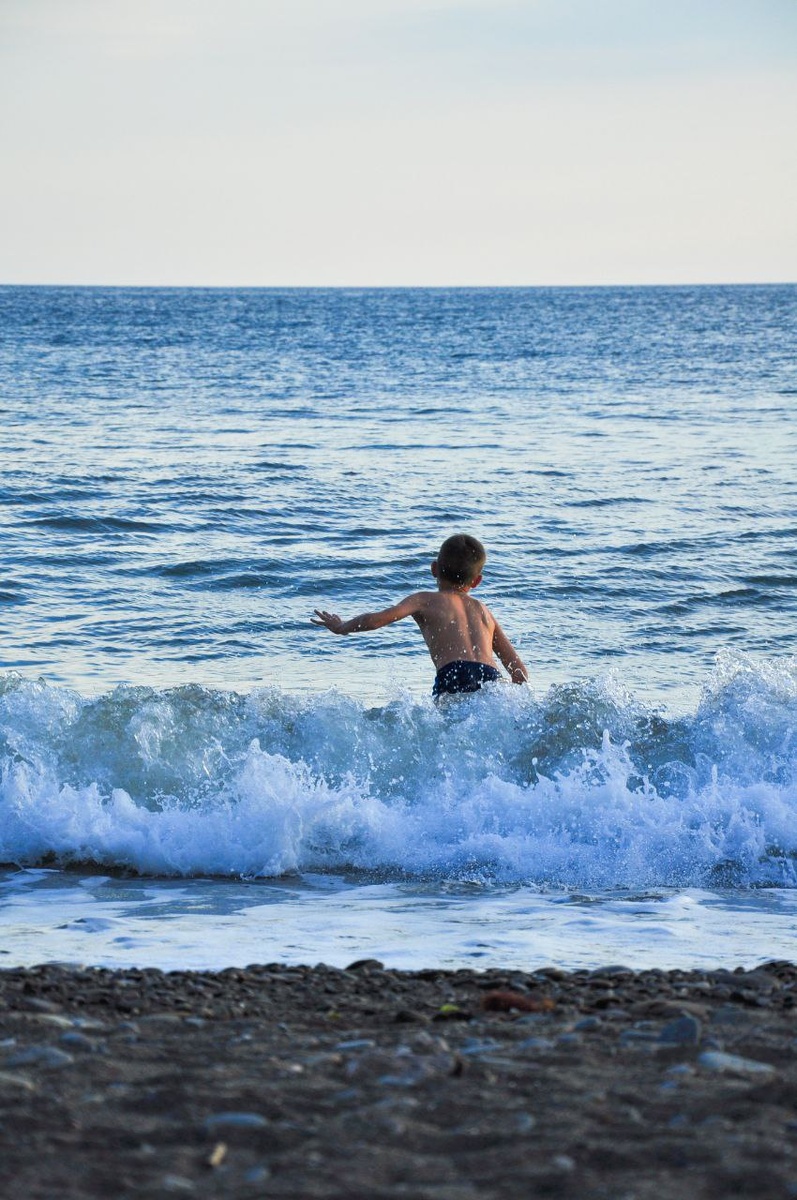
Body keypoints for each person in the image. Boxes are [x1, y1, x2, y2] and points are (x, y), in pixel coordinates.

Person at [312, 533, 528, 697]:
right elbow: (519, 673)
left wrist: (341, 627)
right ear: (476, 581)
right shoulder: (483, 611)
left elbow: (376, 620)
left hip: (454, 674)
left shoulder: (424, 600)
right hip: (490, 678)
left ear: (434, 568)